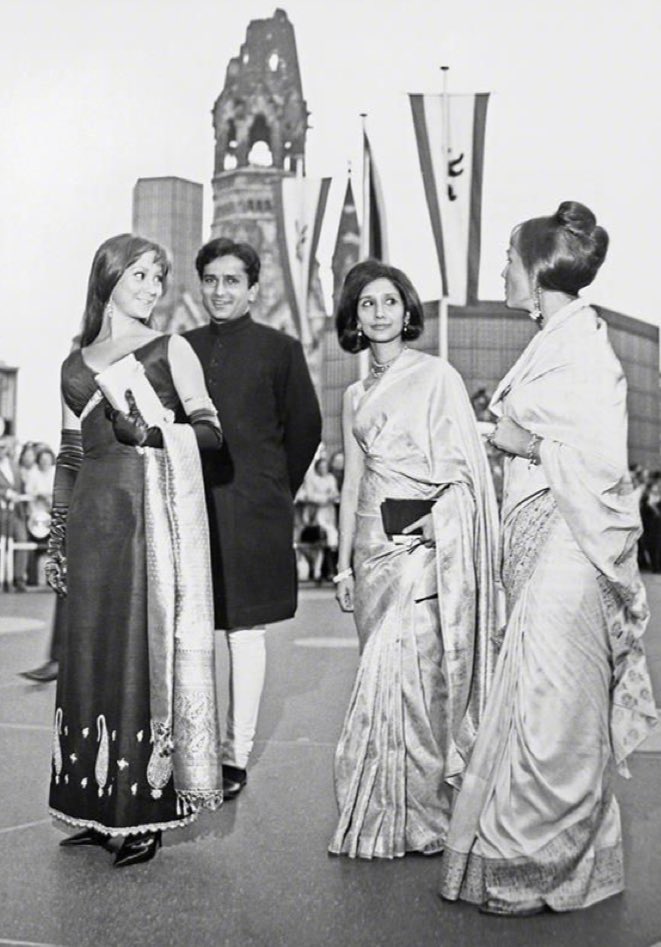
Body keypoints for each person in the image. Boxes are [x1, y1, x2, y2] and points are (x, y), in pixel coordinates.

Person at [439, 202, 658, 915]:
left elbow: (597, 458)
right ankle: (529, 853)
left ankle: (547, 859)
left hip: (570, 543)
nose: (500, 269)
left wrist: (520, 440)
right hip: (542, 538)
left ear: (536, 271)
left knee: (551, 706)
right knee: (536, 699)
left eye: (508, 258)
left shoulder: (583, 346)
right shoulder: (554, 341)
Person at [47, 234, 224, 867]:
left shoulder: (170, 350)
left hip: (149, 523)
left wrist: (152, 434)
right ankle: (94, 802)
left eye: (159, 278)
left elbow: (210, 434)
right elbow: (69, 456)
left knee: (136, 654)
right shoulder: (75, 364)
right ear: (109, 278)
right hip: (94, 525)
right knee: (91, 652)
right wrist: (57, 532)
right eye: (142, 276)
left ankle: (142, 811)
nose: (154, 288)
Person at [329, 260, 501, 859]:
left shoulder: (436, 377)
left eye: (389, 302)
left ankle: (424, 817)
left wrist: (439, 522)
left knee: (418, 685)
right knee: (378, 683)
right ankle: (380, 813)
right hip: (374, 552)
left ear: (408, 312)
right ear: (353, 316)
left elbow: (466, 472)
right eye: (367, 304)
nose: (379, 313)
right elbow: (352, 482)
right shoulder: (354, 394)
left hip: (423, 548)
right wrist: (345, 563)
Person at [185, 237, 322, 799]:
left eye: (232, 281)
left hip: (253, 511)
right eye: (211, 280)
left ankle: (233, 755)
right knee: (188, 632)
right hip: (191, 509)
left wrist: (271, 490)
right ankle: (188, 749)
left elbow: (306, 429)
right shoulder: (179, 346)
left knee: (244, 630)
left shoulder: (281, 350)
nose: (220, 291)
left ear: (253, 289)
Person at [298, 456, 339, 580]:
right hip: (315, 515)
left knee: (332, 539)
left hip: (329, 513)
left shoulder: (331, 478)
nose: (323, 469)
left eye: (325, 467)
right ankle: (319, 571)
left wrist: (331, 497)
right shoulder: (312, 479)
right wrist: (325, 498)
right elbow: (310, 496)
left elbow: (335, 493)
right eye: (321, 467)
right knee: (324, 538)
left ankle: (329, 570)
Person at [0, 435, 29, 591]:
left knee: (21, 541)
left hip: (16, 512)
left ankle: (19, 579)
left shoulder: (14, 466)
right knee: (2, 545)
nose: (3, 451)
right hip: (1, 510)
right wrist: (5, 493)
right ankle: (3, 580)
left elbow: (20, 486)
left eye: (5, 447)